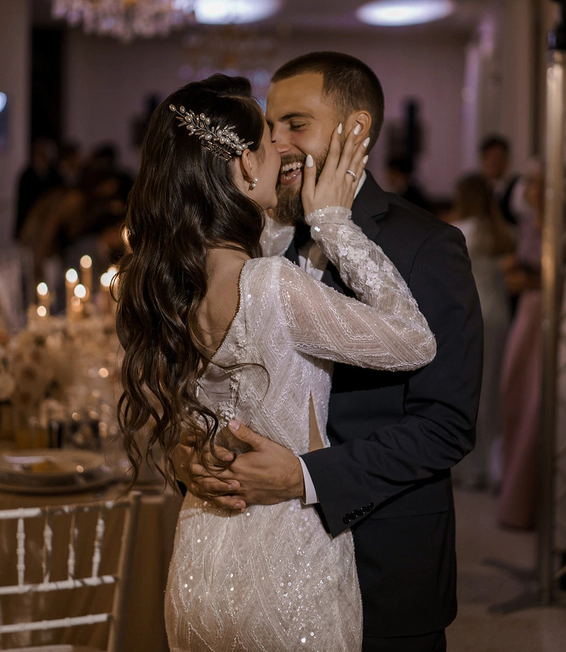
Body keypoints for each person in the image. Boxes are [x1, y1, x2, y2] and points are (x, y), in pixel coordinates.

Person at [116, 74, 437, 652]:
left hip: (200, 561)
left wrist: (187, 449)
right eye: (269, 139)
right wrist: (334, 224)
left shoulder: (167, 281)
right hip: (288, 563)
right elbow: (415, 341)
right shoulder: (270, 283)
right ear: (245, 164)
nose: (282, 149)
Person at [176, 53, 483, 652]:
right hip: (257, 563)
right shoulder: (253, 239)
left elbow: (446, 424)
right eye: (269, 127)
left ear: (355, 129)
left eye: (295, 124)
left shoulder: (427, 245)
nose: (275, 144)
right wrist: (191, 452)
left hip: (383, 559)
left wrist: (306, 477)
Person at [450, 173, 514, 489]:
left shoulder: (459, 231)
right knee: (495, 391)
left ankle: (471, 468)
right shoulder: (500, 232)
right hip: (499, 316)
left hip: (472, 317)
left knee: (469, 391)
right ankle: (495, 466)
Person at [498, 160, 544, 529]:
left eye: (535, 183)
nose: (528, 190)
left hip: (542, 313)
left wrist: (526, 279)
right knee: (514, 395)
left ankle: (529, 500)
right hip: (526, 311)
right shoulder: (529, 224)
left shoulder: (559, 226)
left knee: (534, 401)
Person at [479, 135, 524, 226]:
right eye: (489, 157)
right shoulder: (478, 187)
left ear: (506, 159)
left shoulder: (518, 186)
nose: (494, 162)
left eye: (498, 157)